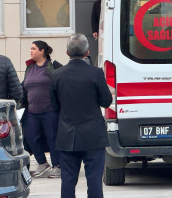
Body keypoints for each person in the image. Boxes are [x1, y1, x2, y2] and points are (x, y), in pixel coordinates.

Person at [50, 33, 112, 198]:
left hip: (67, 135)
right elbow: (106, 101)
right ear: (87, 52)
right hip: (93, 136)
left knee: (68, 182)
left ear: (67, 52)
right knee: (94, 182)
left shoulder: (56, 75)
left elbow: (54, 107)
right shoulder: (96, 73)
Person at [20, 41, 63, 178]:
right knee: (30, 136)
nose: (31, 51)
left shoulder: (53, 66)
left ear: (42, 51)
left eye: (33, 48)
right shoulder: (30, 68)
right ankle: (42, 163)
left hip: (50, 110)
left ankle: (57, 166)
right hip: (32, 111)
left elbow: (63, 82)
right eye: (30, 48)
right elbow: (23, 87)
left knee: (52, 138)